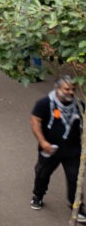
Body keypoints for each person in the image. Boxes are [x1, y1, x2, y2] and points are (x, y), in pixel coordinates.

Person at [30, 76, 85, 215]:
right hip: (50, 149)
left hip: (72, 150)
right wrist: (42, 142)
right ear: (58, 89)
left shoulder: (79, 105)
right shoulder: (44, 103)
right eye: (67, 89)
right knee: (42, 174)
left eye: (73, 89)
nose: (71, 92)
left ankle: (76, 206)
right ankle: (38, 196)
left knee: (75, 179)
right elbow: (35, 121)